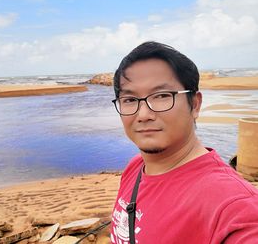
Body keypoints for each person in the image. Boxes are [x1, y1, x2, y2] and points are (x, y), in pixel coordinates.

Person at [110, 41, 258, 244]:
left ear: (195, 104)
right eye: (129, 100)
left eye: (162, 96)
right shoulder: (135, 167)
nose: (143, 114)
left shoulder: (233, 205)